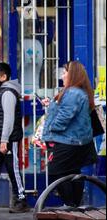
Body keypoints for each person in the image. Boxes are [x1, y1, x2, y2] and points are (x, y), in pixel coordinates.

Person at [41, 61, 97, 207]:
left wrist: (52, 128)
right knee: (72, 173)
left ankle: (70, 206)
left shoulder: (72, 92)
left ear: (72, 75)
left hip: (68, 141)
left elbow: (66, 115)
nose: (62, 75)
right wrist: (52, 104)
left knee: (56, 172)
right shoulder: (79, 91)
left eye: (65, 72)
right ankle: (75, 213)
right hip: (77, 142)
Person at [0, 62, 29, 214]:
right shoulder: (2, 90)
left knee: (13, 169)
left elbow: (8, 119)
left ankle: (21, 200)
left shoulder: (8, 93)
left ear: (4, 77)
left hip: (8, 139)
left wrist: (4, 140)